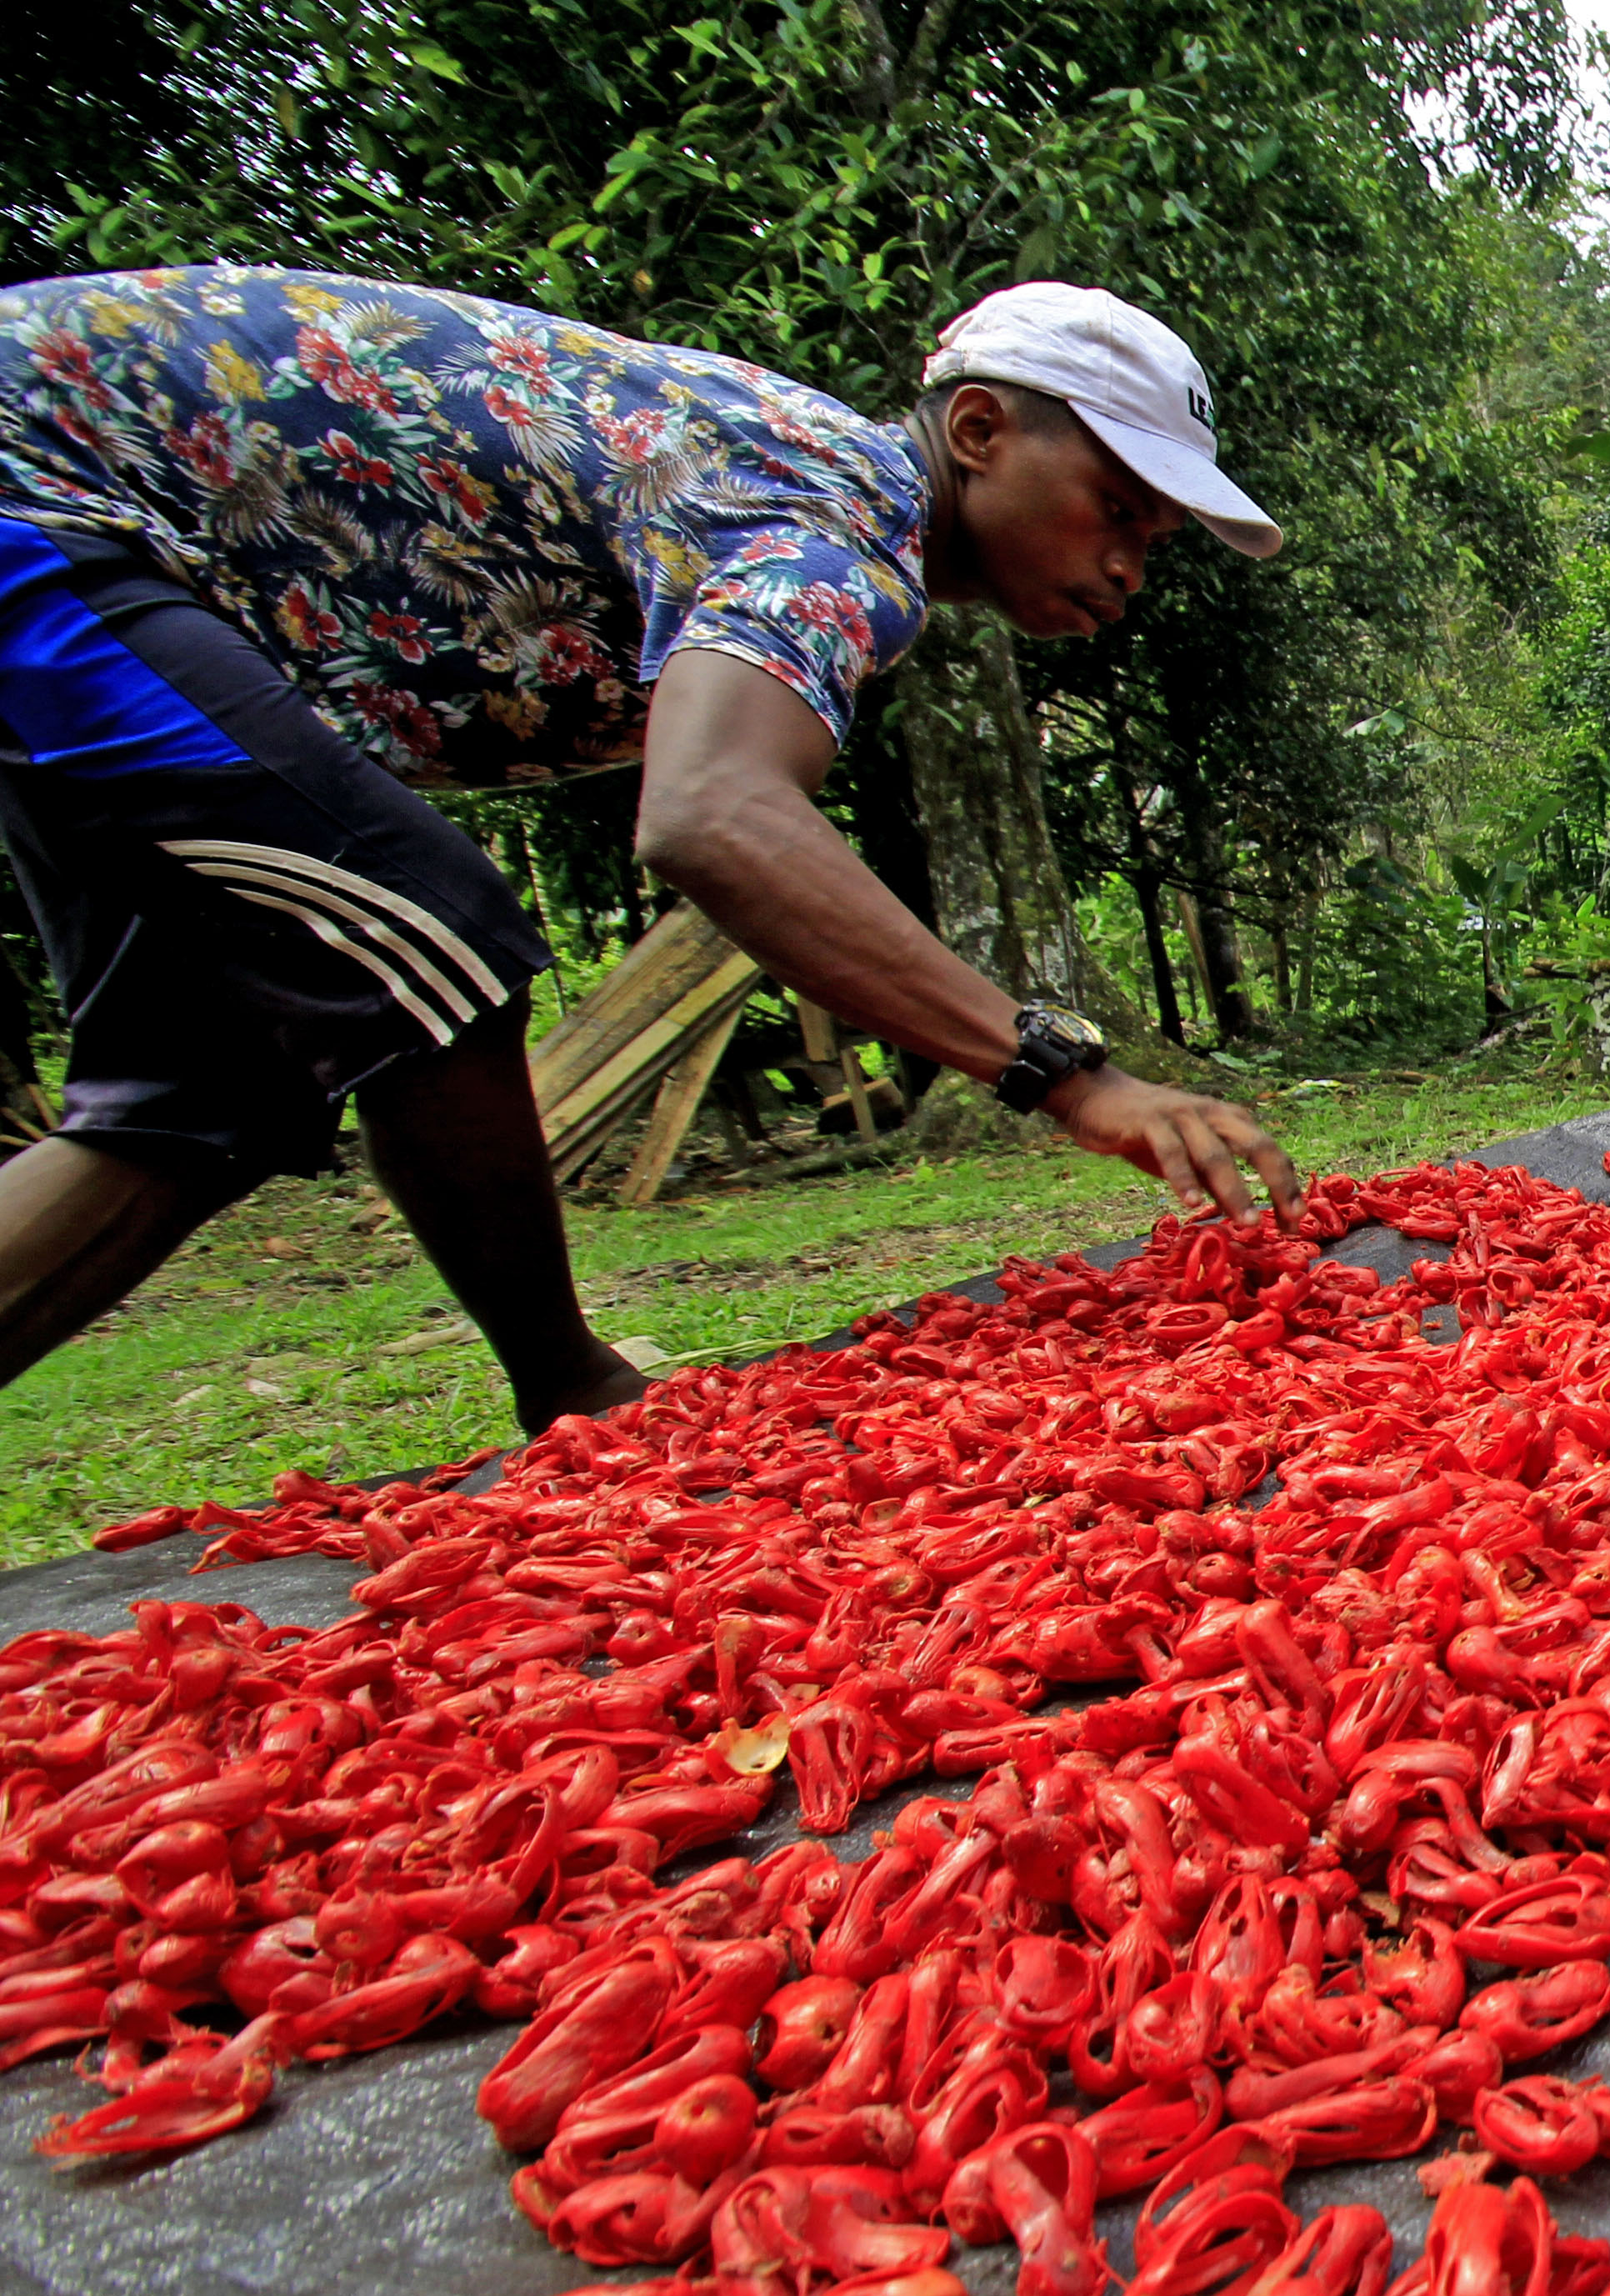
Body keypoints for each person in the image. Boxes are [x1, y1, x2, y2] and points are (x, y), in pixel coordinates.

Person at [0, 265, 1300, 1428]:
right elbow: (714, 815)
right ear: (977, 431)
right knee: (434, 936)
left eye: (1155, 539)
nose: (1132, 563)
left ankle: (577, 1399)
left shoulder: (810, 491)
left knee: (197, 1102)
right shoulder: (834, 512)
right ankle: (579, 1402)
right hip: (37, 497)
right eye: (1118, 509)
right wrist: (1065, 1074)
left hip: (92, 542)